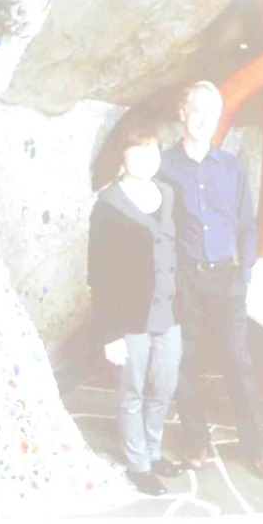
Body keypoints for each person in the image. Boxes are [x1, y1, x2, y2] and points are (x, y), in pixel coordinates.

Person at [159, 80, 263, 480]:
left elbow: (247, 224)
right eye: (197, 111)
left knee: (238, 362)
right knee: (183, 362)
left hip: (227, 279)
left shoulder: (231, 166)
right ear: (182, 112)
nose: (204, 120)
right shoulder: (163, 165)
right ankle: (195, 441)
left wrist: (243, 271)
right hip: (185, 280)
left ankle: (256, 448)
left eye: (212, 114)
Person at [86, 121, 185, 496]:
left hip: (169, 313)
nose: (148, 158)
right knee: (133, 393)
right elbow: (100, 274)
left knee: (163, 388)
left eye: (154, 150)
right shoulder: (108, 206)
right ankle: (138, 464)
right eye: (138, 150)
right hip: (130, 319)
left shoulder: (168, 194)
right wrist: (109, 335)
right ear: (122, 156)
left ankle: (155, 451)